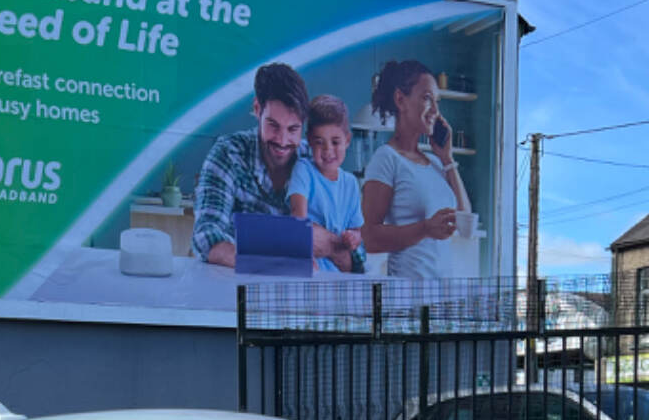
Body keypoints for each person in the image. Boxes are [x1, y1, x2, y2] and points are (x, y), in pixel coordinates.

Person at [192, 62, 350, 268]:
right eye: (273, 126)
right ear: (258, 109)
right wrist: (276, 257)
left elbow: (352, 257)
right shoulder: (229, 154)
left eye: (293, 129)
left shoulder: (315, 161)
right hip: (234, 289)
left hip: (303, 291)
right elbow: (206, 235)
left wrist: (330, 244)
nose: (283, 140)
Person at [361, 59, 471, 280]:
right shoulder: (386, 159)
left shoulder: (436, 163)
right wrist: (425, 229)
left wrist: (448, 159)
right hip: (407, 296)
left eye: (437, 101)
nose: (436, 112)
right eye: (427, 98)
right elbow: (369, 237)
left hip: (441, 294)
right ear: (401, 99)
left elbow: (465, 223)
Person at [287, 95, 365, 275]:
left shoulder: (351, 183)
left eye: (335, 142)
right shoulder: (303, 169)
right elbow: (297, 216)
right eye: (319, 142)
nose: (328, 150)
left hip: (339, 276)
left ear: (347, 140)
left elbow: (357, 231)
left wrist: (353, 238)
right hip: (308, 271)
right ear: (309, 140)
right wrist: (304, 252)